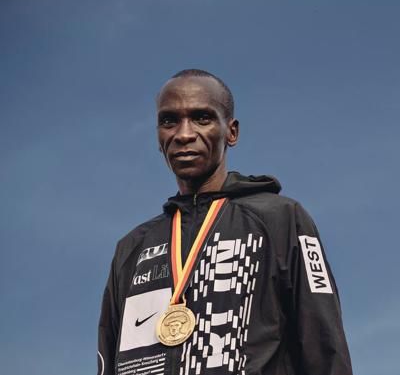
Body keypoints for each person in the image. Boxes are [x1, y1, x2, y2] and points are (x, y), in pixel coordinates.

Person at [97, 69, 353, 375]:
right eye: (169, 121)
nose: (184, 134)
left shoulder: (281, 219)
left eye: (202, 118)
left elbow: (324, 349)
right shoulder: (132, 248)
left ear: (231, 132)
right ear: (158, 136)